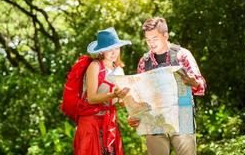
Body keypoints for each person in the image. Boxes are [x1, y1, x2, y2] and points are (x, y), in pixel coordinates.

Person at [127, 17, 206, 155]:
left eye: (155, 38)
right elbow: (139, 95)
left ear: (166, 35)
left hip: (182, 117)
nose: (151, 43)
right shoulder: (143, 62)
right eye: (148, 39)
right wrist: (134, 114)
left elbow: (201, 86)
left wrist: (193, 82)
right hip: (154, 120)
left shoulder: (183, 55)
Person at [73, 27, 131, 155]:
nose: (114, 52)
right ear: (101, 51)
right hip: (91, 122)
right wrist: (113, 94)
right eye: (109, 49)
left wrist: (128, 99)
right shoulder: (95, 66)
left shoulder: (119, 70)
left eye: (116, 48)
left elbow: (120, 101)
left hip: (109, 122)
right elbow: (92, 98)